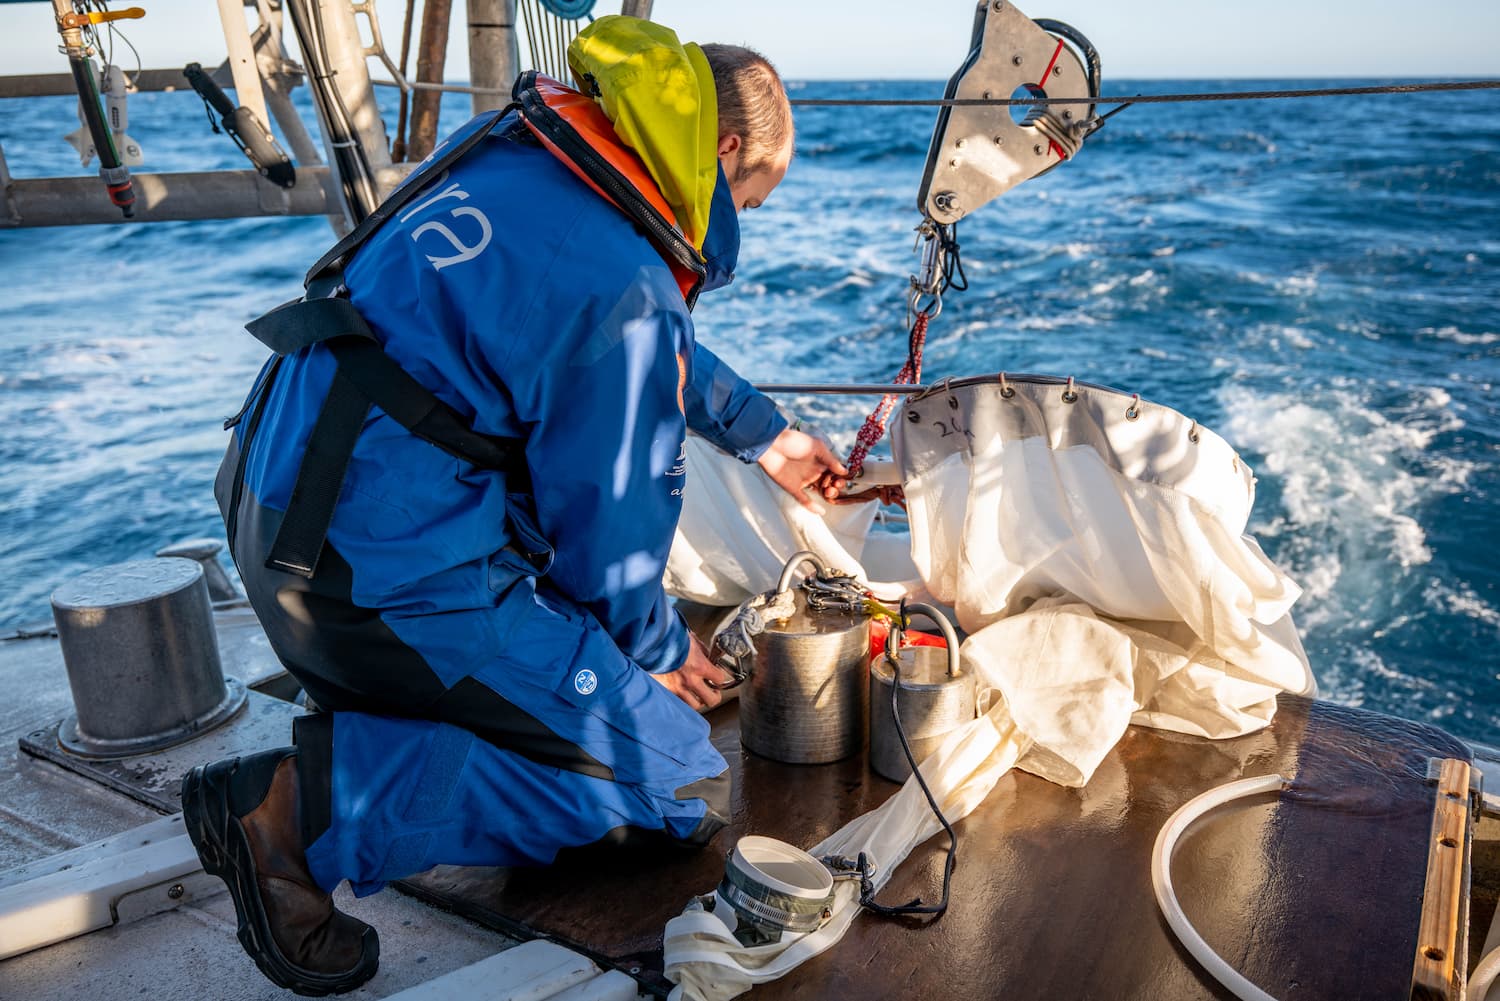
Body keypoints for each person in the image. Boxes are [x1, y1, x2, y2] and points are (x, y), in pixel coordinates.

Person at [181, 17, 846, 996]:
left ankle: (398, 722)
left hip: (274, 504)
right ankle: (297, 813)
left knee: (577, 665)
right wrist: (658, 653)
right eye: (750, 197)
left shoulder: (527, 154)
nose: (740, 217)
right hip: (372, 574)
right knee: (674, 781)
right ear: (726, 154)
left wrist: (765, 433)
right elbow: (610, 546)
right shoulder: (626, 283)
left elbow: (596, 332)